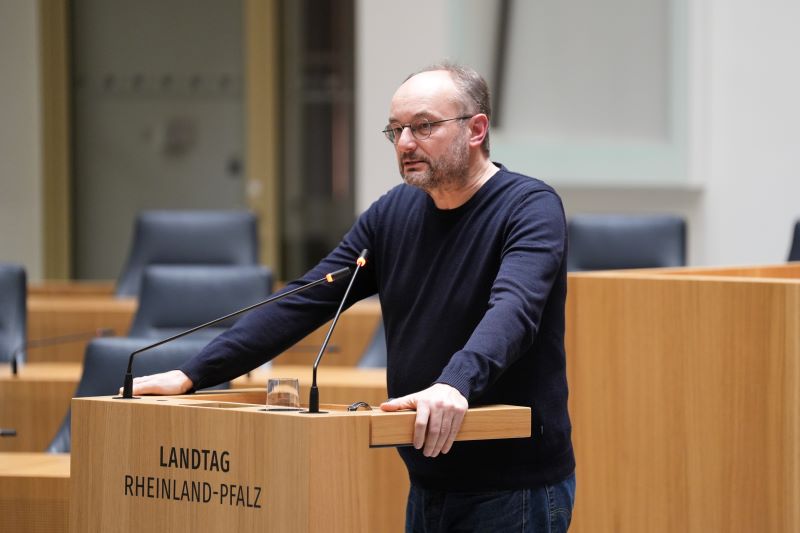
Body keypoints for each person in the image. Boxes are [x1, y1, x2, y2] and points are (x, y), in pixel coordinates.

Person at [130, 62, 576, 532]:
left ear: (476, 129)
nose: (405, 143)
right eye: (396, 130)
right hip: (428, 475)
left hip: (514, 486)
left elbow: (514, 311)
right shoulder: (394, 212)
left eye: (423, 126)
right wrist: (193, 372)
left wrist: (455, 383)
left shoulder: (529, 207)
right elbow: (307, 297)